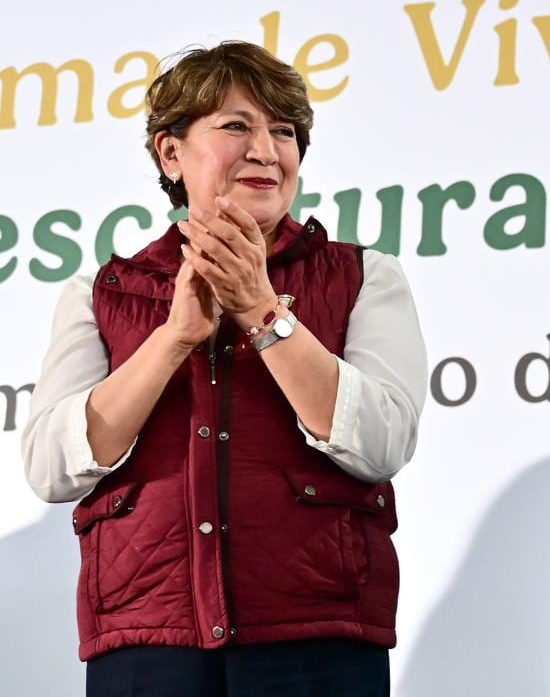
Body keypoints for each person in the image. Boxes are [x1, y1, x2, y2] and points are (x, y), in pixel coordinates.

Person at [21, 42, 428, 697]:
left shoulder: (364, 277)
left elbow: (382, 442)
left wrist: (263, 312)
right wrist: (176, 336)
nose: (267, 150)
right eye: (237, 125)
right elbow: (49, 466)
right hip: (146, 645)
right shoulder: (101, 292)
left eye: (285, 132)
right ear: (171, 153)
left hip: (315, 640)